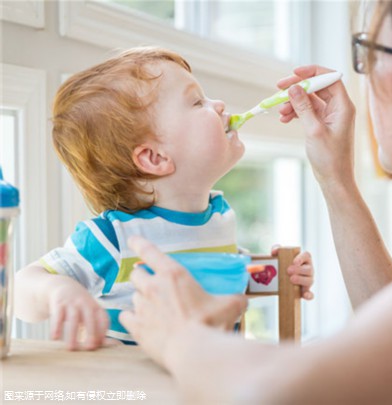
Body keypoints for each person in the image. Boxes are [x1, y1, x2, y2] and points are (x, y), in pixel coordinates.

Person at [119, 1, 392, 404]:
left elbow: (273, 395)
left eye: (372, 55)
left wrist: (180, 337)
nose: (364, 74)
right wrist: (335, 176)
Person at [14, 47, 314, 350]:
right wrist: (57, 291)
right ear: (155, 157)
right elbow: (21, 289)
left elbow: (222, 282)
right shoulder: (114, 238)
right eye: (197, 101)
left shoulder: (219, 216)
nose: (219, 104)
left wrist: (281, 275)